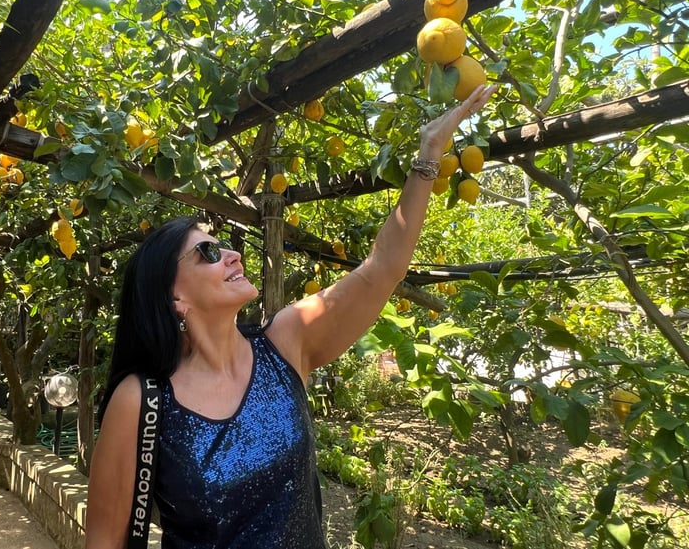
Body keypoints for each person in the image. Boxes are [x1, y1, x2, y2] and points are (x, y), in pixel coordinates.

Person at [85, 84, 497, 549]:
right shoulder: (140, 401)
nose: (233, 255)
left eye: (225, 245)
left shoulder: (286, 342)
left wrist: (428, 155)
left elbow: (382, 269)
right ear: (173, 298)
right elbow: (105, 539)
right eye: (206, 252)